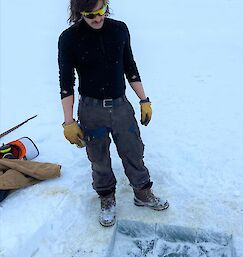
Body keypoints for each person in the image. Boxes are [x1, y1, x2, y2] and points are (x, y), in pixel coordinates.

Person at [58, 0, 169, 227]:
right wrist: (68, 122)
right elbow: (66, 82)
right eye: (90, 15)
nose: (97, 19)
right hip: (91, 109)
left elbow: (130, 66)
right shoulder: (69, 38)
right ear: (80, 13)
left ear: (105, 6)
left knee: (133, 151)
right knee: (98, 158)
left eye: (100, 12)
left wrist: (144, 100)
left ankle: (142, 192)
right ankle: (106, 197)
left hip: (120, 107)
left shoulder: (119, 30)